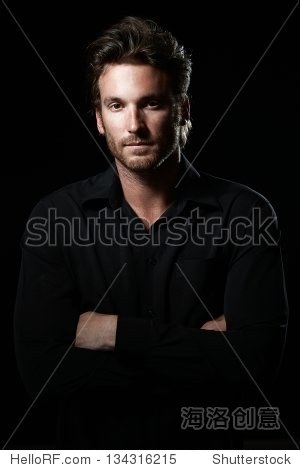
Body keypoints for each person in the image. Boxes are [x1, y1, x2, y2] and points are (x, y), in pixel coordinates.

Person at [14, 16, 288, 449]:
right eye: (117, 105)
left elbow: (255, 365)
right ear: (100, 119)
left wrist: (113, 334)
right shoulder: (55, 218)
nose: (134, 126)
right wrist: (200, 350)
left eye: (152, 103)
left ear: (182, 110)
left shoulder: (246, 213)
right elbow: (43, 376)